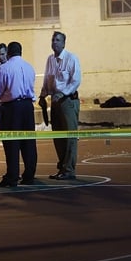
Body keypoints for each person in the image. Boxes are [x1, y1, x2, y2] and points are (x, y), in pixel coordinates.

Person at [0, 41, 38, 187]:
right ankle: (29, 176)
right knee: (29, 142)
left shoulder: (4, 69)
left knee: (11, 143)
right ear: (21, 51)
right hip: (28, 107)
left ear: (8, 53)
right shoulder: (29, 67)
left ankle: (12, 177)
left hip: (11, 108)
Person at [38, 31, 82, 181]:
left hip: (68, 102)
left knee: (69, 136)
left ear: (64, 43)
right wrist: (43, 95)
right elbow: (47, 80)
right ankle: (62, 167)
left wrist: (63, 93)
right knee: (58, 136)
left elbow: (75, 81)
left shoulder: (71, 58)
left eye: (57, 40)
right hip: (55, 102)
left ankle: (69, 169)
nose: (54, 42)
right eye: (52, 39)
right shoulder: (50, 60)